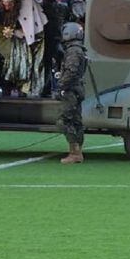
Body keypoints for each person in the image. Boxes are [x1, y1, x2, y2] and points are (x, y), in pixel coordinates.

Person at [56, 23, 88, 164]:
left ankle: (74, 152)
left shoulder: (73, 51)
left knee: (65, 120)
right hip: (77, 89)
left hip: (71, 90)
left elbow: (71, 71)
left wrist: (61, 86)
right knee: (76, 121)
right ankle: (77, 152)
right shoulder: (79, 50)